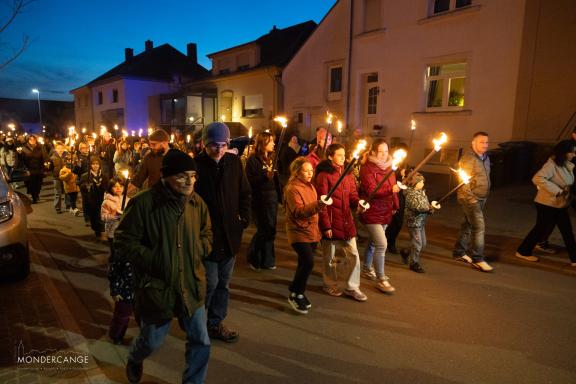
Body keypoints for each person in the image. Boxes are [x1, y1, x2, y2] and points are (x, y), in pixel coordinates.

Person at [115, 149, 212, 384]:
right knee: (152, 341)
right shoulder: (144, 203)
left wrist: (198, 250)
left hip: (191, 283)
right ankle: (135, 358)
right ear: (166, 176)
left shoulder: (197, 204)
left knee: (201, 341)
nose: (189, 181)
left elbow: (207, 233)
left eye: (193, 175)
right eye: (182, 176)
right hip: (158, 287)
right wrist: (155, 260)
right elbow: (123, 240)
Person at [194, 122, 251, 343]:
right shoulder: (196, 166)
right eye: (213, 145)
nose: (218, 150)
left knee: (223, 284)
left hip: (229, 237)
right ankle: (197, 325)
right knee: (209, 284)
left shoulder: (234, 162)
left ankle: (215, 324)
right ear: (204, 144)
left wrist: (243, 219)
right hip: (207, 238)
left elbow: (245, 193)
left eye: (223, 145)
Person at [315, 143, 368, 302]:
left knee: (354, 255)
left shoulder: (348, 174)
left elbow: (352, 195)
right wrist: (325, 226)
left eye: (344, 155)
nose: (343, 158)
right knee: (330, 257)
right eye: (339, 155)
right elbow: (322, 202)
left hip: (346, 221)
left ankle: (352, 287)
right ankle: (329, 283)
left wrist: (358, 204)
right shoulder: (323, 176)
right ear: (330, 156)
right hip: (330, 222)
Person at [516, 140, 576, 267]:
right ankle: (523, 251)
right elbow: (537, 178)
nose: (574, 154)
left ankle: (574, 259)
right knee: (541, 228)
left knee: (567, 230)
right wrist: (558, 191)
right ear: (564, 152)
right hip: (546, 204)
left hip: (559, 204)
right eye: (572, 152)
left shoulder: (566, 164)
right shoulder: (552, 164)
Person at [284, 157, 326, 314]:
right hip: (298, 230)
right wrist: (319, 204)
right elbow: (298, 212)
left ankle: (295, 290)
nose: (310, 173)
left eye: (311, 170)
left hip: (311, 230)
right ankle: (297, 293)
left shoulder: (310, 186)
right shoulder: (292, 189)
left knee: (303, 262)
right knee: (309, 262)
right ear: (297, 172)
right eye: (306, 170)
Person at [358, 139, 399, 293]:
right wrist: (391, 191)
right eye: (380, 151)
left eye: (386, 151)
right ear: (373, 152)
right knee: (382, 244)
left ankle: (367, 268)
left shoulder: (390, 167)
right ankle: (381, 279)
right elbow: (371, 191)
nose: (384, 154)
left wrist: (395, 204)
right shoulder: (367, 168)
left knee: (374, 243)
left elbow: (393, 186)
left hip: (386, 210)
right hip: (371, 211)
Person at [452, 131, 493, 272]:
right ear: (473, 143)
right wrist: (472, 199)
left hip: (482, 197)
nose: (485, 145)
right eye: (482, 142)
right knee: (479, 227)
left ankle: (459, 252)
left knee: (468, 225)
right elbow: (463, 181)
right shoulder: (468, 158)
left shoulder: (486, 157)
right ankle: (478, 258)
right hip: (470, 198)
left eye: (487, 142)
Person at [101, 177, 133, 345]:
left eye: (121, 186)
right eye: (116, 186)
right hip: (115, 234)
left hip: (133, 289)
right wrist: (114, 215)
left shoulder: (128, 199)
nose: (120, 189)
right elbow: (104, 217)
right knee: (121, 314)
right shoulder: (107, 201)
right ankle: (116, 335)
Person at [245, 132, 279, 270]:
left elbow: (277, 181)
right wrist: (265, 176)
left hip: (272, 198)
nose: (274, 143)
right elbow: (249, 181)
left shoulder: (272, 158)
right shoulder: (253, 160)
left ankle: (268, 260)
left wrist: (281, 197)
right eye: (271, 141)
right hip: (260, 199)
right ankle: (253, 256)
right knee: (264, 229)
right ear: (263, 143)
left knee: (271, 229)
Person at [404, 173, 436, 273]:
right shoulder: (411, 194)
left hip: (421, 222)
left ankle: (406, 252)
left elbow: (425, 205)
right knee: (418, 244)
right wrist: (429, 208)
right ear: (415, 183)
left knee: (423, 244)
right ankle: (414, 263)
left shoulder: (421, 193)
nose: (423, 183)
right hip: (414, 222)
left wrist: (431, 209)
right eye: (421, 182)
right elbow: (417, 207)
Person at [128, 129, 170, 193]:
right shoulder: (149, 157)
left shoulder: (177, 157)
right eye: (150, 144)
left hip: (171, 199)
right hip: (153, 196)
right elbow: (139, 178)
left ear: (164, 143)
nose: (151, 147)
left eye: (154, 144)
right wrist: (123, 193)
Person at [80, 157, 108, 241]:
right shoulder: (86, 176)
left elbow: (107, 186)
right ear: (90, 165)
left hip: (101, 198)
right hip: (91, 199)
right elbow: (81, 187)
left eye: (97, 164)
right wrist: (86, 186)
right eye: (93, 164)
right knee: (94, 216)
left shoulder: (103, 175)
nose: (95, 166)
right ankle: (97, 231)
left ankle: (102, 231)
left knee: (101, 215)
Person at [20, 135, 48, 204]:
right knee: (31, 184)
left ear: (36, 140)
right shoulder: (24, 148)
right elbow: (22, 160)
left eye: (33, 139)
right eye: (30, 139)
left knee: (38, 184)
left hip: (39, 168)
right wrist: (25, 169)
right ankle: (34, 197)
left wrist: (46, 165)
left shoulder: (40, 147)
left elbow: (45, 157)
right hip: (30, 169)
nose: (32, 141)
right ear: (28, 140)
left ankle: (36, 194)